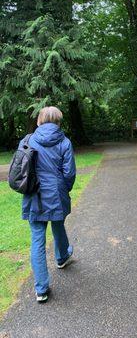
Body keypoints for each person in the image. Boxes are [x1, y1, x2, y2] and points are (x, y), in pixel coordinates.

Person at [19, 106, 76, 303]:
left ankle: (41, 289)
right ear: (58, 121)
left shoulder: (27, 140)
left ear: (39, 121)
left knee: (37, 239)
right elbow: (69, 174)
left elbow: (20, 169)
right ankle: (62, 257)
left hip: (33, 194)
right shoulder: (65, 142)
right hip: (56, 193)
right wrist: (63, 189)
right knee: (58, 225)